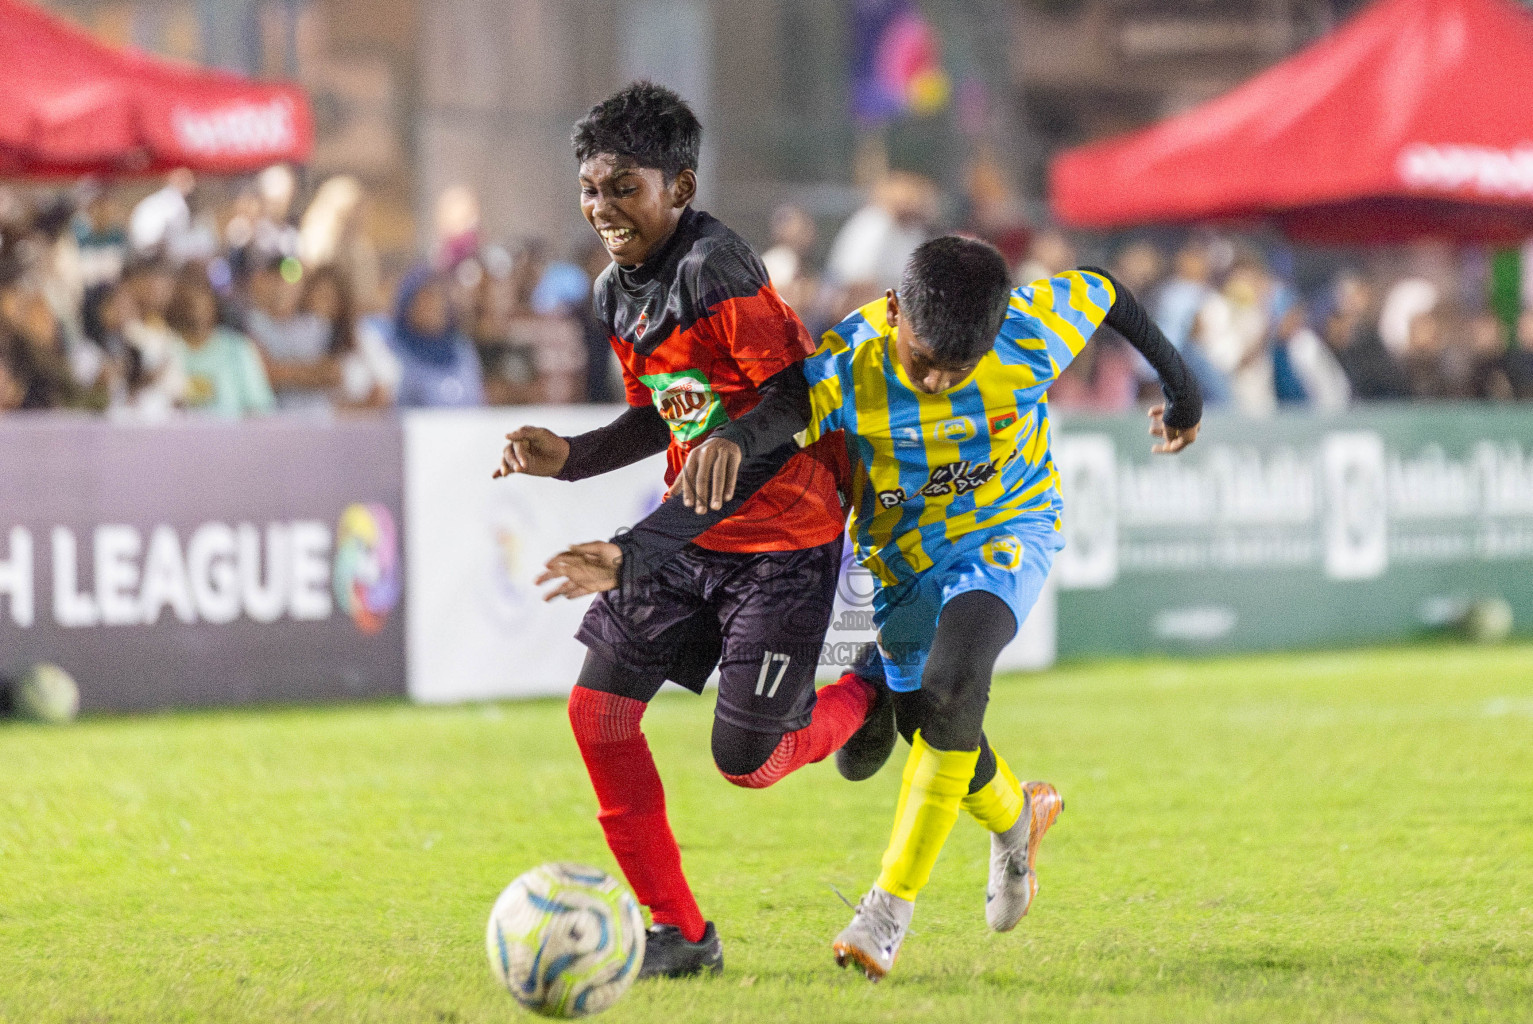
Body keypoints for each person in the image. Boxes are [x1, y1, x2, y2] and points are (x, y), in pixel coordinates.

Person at [574, 236, 1204, 980]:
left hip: (1006, 527)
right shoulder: (849, 365)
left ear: (995, 334)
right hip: (900, 559)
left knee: (949, 691)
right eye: (922, 358)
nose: (935, 381)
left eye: (956, 367)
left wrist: (1184, 397)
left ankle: (885, 912)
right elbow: (768, 434)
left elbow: (1106, 288)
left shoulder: (1031, 330)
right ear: (895, 310)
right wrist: (676, 509)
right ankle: (1015, 816)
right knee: (921, 726)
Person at [493, 82, 888, 980]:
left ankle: (871, 691)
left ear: (679, 185)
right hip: (692, 538)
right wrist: (570, 456)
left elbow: (791, 396)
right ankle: (678, 931)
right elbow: (656, 419)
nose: (601, 208)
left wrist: (729, 445)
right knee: (596, 715)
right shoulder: (611, 292)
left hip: (784, 543)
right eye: (591, 188)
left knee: (745, 763)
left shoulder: (717, 269)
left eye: (622, 188)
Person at [165, 269, 275, 419]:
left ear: (213, 306)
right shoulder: (166, 347)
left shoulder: (237, 347)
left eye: (202, 303)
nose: (195, 311)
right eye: (188, 303)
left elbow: (259, 406)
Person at [390, 268, 485, 408]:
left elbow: (478, 400)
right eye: (424, 300)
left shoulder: (461, 349)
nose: (432, 308)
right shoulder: (393, 351)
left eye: (437, 300)